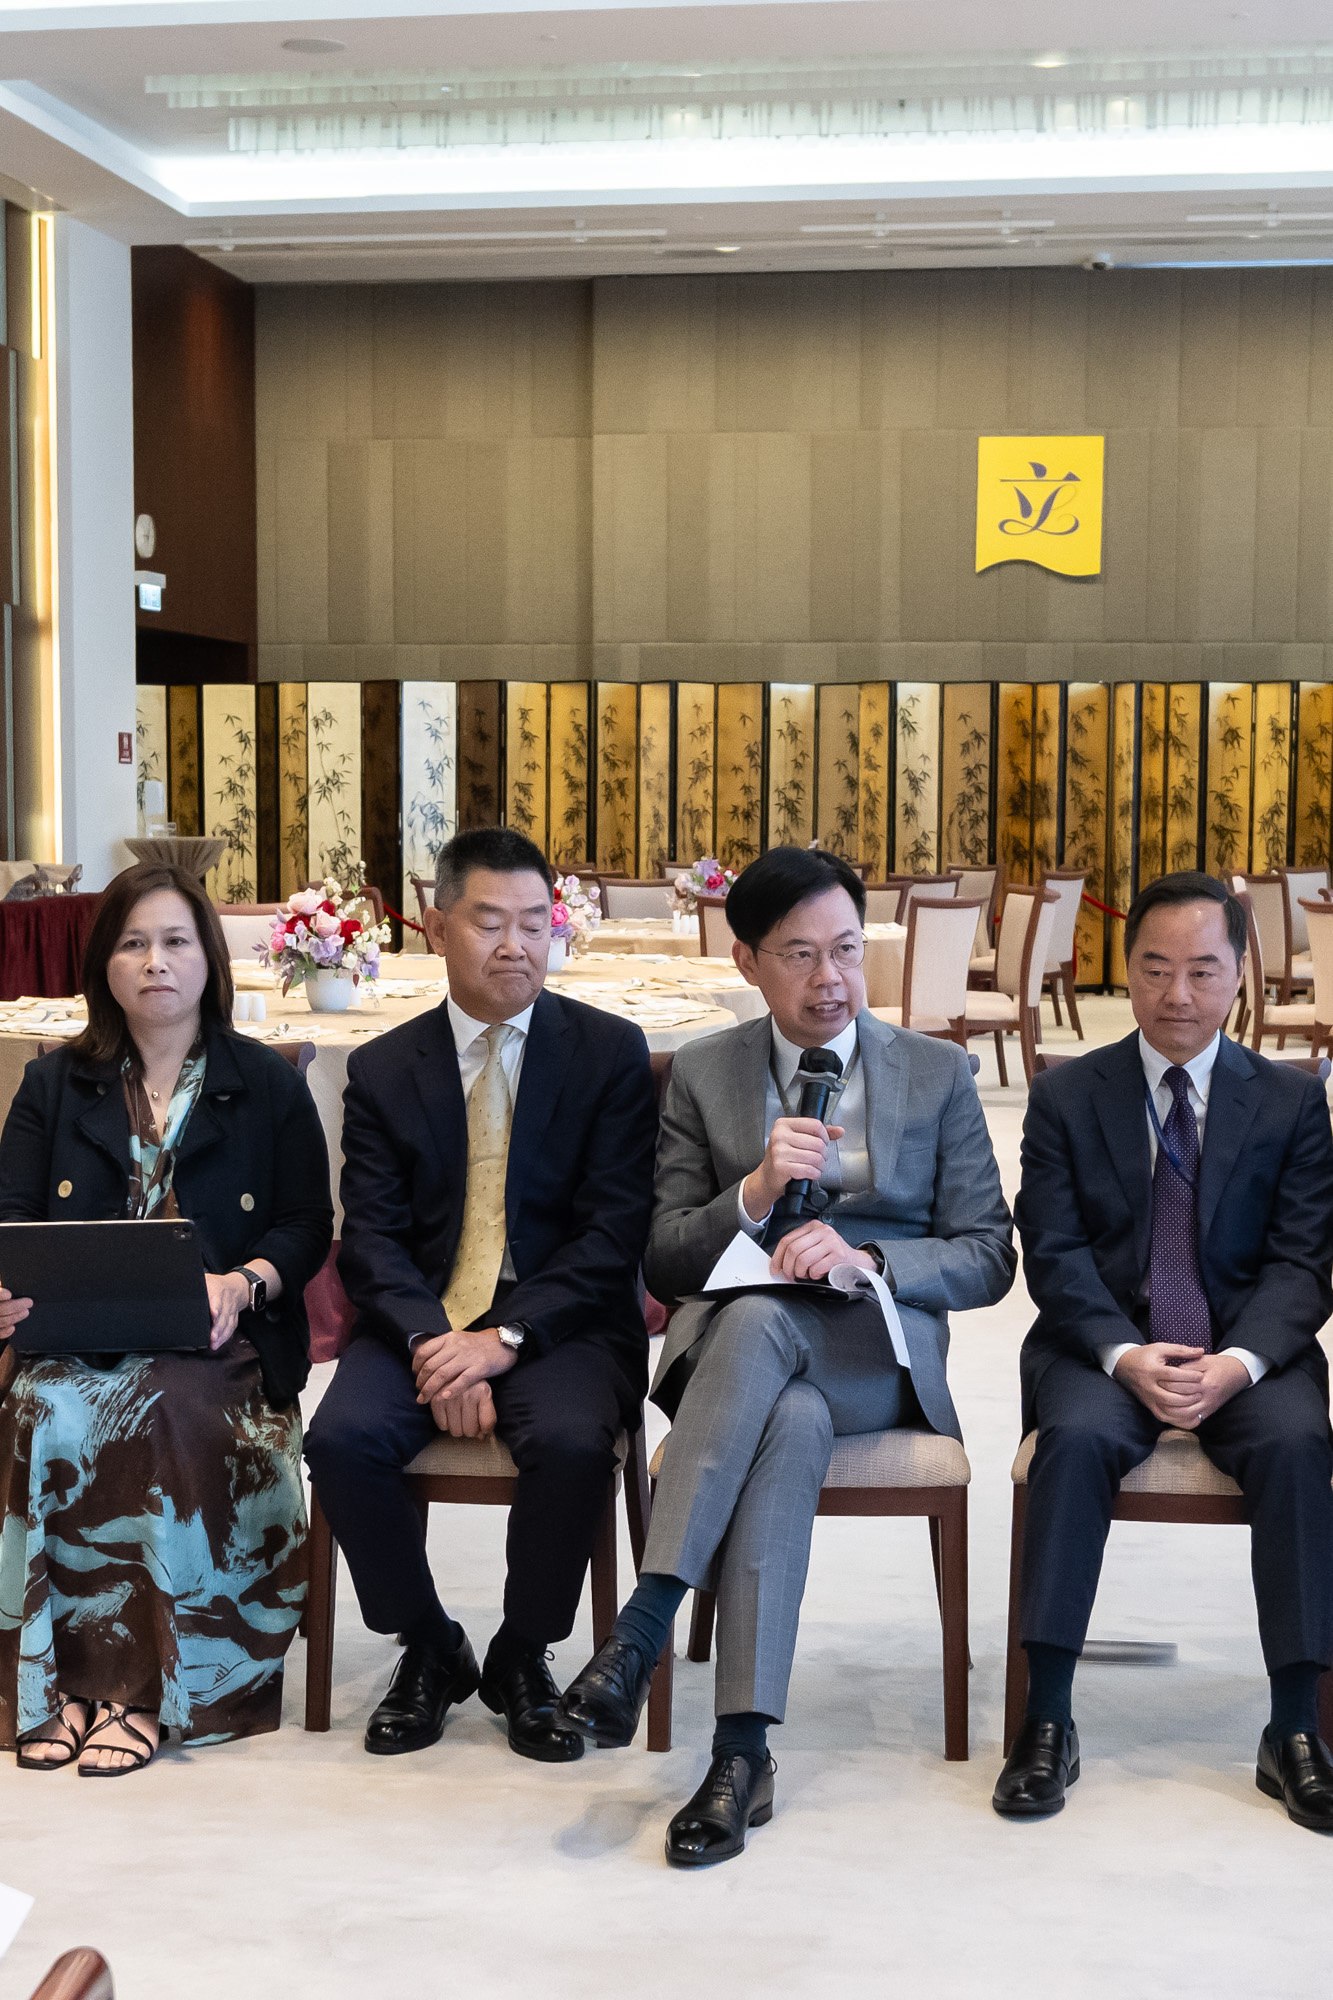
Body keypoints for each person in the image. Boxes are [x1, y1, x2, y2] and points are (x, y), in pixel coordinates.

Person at [555, 846, 1016, 1864]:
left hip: (874, 1349)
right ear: (747, 960)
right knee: (784, 1402)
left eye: (846, 949)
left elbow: (989, 1254)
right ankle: (740, 1754)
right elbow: (666, 1259)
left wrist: (870, 1259)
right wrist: (753, 1195)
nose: (830, 979)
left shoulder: (934, 1071)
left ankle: (642, 1627)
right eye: (799, 954)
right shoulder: (703, 1072)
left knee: (767, 1332)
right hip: (743, 1354)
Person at [304, 827, 658, 1763]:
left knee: (574, 1442)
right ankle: (430, 1643)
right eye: (490, 922)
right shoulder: (384, 1069)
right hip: (419, 1317)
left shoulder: (608, 1053)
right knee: (339, 1440)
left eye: (535, 924)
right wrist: (433, 1342)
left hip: (562, 1319)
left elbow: (611, 1234)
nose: (516, 946)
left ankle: (521, 1652)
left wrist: (504, 1339)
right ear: (436, 926)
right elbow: (371, 1240)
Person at [993, 869, 1333, 1831]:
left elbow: (1302, 1260)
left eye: (1201, 971)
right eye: (1153, 969)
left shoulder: (1290, 1100)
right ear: (1126, 967)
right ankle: (1045, 1719)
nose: (1176, 995)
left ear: (1238, 974)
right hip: (1103, 1339)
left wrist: (1238, 1363)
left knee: (1296, 1446)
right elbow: (1053, 1252)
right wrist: (1120, 1353)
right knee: (1074, 1442)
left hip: (1244, 1350)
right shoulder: (1067, 1095)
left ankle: (1295, 1727)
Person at [0, 861, 332, 1775]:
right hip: (74, 1335)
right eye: (133, 943)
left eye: (176, 941)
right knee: (41, 1409)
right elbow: (11, 1216)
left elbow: (307, 1222)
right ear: (103, 965)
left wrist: (247, 1281)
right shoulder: (53, 1084)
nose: (155, 962)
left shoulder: (264, 1081)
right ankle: (56, 1685)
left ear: (209, 958)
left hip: (221, 1346)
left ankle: (139, 1690)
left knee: (157, 1406)